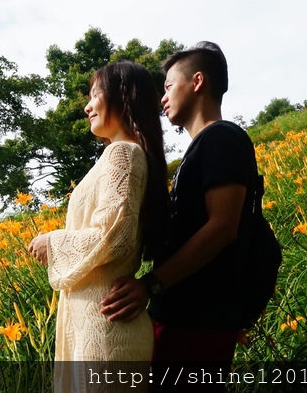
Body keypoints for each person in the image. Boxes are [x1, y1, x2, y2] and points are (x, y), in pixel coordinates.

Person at [100, 42, 260, 373]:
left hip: (199, 320)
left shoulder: (223, 139)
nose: (163, 97)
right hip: (182, 316)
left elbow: (222, 228)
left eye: (170, 86)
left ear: (198, 82)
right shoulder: (199, 150)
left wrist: (151, 284)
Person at [27, 61, 169, 390]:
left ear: (123, 95)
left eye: (95, 95)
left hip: (106, 328)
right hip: (100, 321)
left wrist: (53, 241)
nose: (88, 106)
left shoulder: (123, 154)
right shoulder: (121, 156)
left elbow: (115, 235)